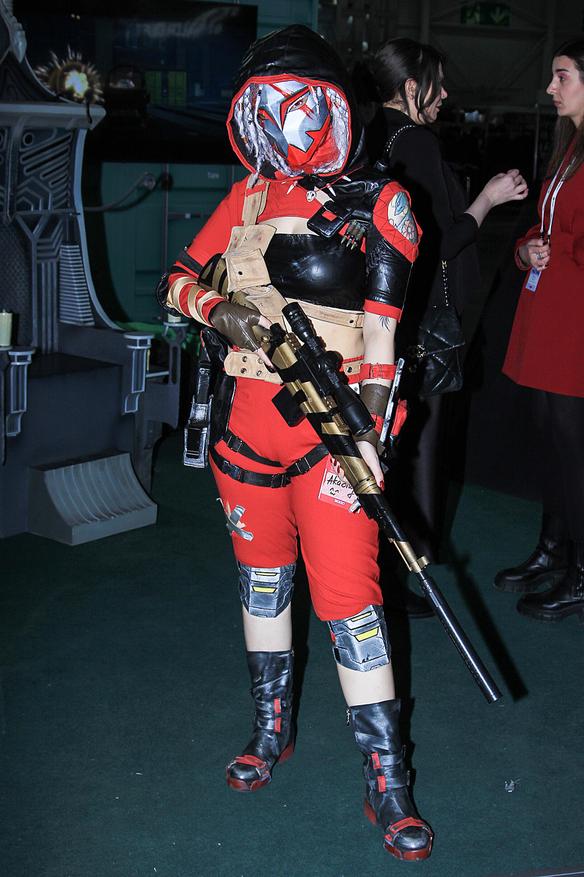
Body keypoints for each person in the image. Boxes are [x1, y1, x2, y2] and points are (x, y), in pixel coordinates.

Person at [156, 25, 434, 861]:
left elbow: (383, 339)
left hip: (330, 426)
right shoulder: (244, 198)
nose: (286, 119)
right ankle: (269, 727)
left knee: (352, 602)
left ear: (333, 103)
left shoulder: (378, 202)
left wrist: (371, 429)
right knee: (262, 586)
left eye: (300, 101)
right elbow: (178, 281)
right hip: (245, 425)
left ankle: (387, 777)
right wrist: (218, 310)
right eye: (268, 103)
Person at [365, 39, 528, 614]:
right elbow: (440, 238)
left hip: (383, 314)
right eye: (437, 82)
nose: (446, 94)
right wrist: (488, 198)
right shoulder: (415, 140)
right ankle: (404, 573)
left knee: (384, 442)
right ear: (412, 86)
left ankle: (375, 570)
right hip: (422, 324)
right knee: (419, 449)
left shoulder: (370, 135)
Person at [495, 39, 584, 622]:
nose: (550, 87)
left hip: (574, 321)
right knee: (552, 442)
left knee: (573, 448)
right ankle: (555, 549)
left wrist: (559, 249)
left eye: (562, 76)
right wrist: (529, 247)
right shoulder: (569, 146)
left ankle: (581, 571)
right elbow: (545, 223)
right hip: (550, 314)